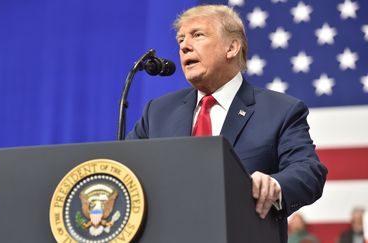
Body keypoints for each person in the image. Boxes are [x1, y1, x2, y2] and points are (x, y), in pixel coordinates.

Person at [127, 4, 327, 243]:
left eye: (197, 35)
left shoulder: (280, 111)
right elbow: (127, 168)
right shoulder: (157, 112)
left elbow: (309, 172)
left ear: (232, 47)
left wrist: (275, 184)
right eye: (181, 39)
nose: (184, 46)